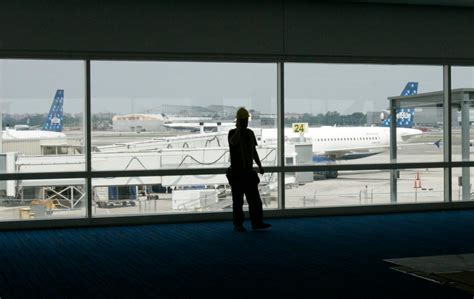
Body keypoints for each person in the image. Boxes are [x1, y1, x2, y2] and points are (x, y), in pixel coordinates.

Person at [227, 107, 271, 232]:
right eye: (243, 121)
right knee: (238, 201)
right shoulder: (232, 133)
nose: (245, 123)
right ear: (238, 121)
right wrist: (239, 129)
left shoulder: (250, 134)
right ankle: (238, 224)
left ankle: (256, 222)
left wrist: (259, 165)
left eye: (245, 120)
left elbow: (254, 151)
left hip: (248, 172)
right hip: (237, 173)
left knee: (255, 201)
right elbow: (233, 142)